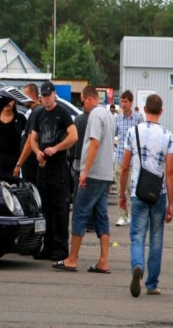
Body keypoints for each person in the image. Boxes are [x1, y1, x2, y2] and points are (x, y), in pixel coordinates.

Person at [52, 85, 114, 273]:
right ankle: (103, 261)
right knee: (101, 216)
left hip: (93, 173)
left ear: (88, 98)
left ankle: (72, 259)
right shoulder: (109, 115)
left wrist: (85, 171)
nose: (83, 106)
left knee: (79, 212)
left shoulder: (95, 115)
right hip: (105, 174)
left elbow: (94, 143)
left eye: (82, 101)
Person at [119, 94, 173, 297]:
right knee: (156, 239)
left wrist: (122, 193)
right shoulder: (168, 135)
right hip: (158, 195)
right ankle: (152, 284)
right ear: (161, 111)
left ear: (143, 109)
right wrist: (171, 203)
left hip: (137, 191)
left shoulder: (133, 132)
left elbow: (125, 166)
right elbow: (169, 172)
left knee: (137, 236)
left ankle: (137, 266)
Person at [30, 81, 77, 261]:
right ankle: (47, 247)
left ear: (54, 94)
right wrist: (37, 152)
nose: (46, 98)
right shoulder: (39, 114)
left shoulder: (62, 113)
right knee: (46, 210)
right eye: (43, 96)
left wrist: (56, 148)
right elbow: (33, 139)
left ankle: (61, 248)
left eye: (48, 95)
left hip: (58, 169)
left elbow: (74, 136)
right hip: (43, 169)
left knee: (60, 210)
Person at [113, 90, 143, 226]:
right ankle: (122, 215)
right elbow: (114, 135)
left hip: (133, 160)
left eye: (126, 101)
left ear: (131, 102)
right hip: (119, 157)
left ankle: (131, 214)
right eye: (122, 101)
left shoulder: (138, 118)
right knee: (120, 188)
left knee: (132, 188)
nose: (123, 104)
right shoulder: (117, 118)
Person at [14, 83, 42, 183]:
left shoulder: (35, 113)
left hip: (30, 162)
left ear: (32, 96)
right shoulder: (36, 111)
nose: (22, 99)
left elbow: (30, 141)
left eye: (24, 96)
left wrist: (19, 164)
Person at [71, 105, 93, 232]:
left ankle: (76, 221)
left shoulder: (77, 120)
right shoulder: (93, 120)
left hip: (77, 160)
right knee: (89, 194)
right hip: (89, 160)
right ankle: (89, 223)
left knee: (77, 192)